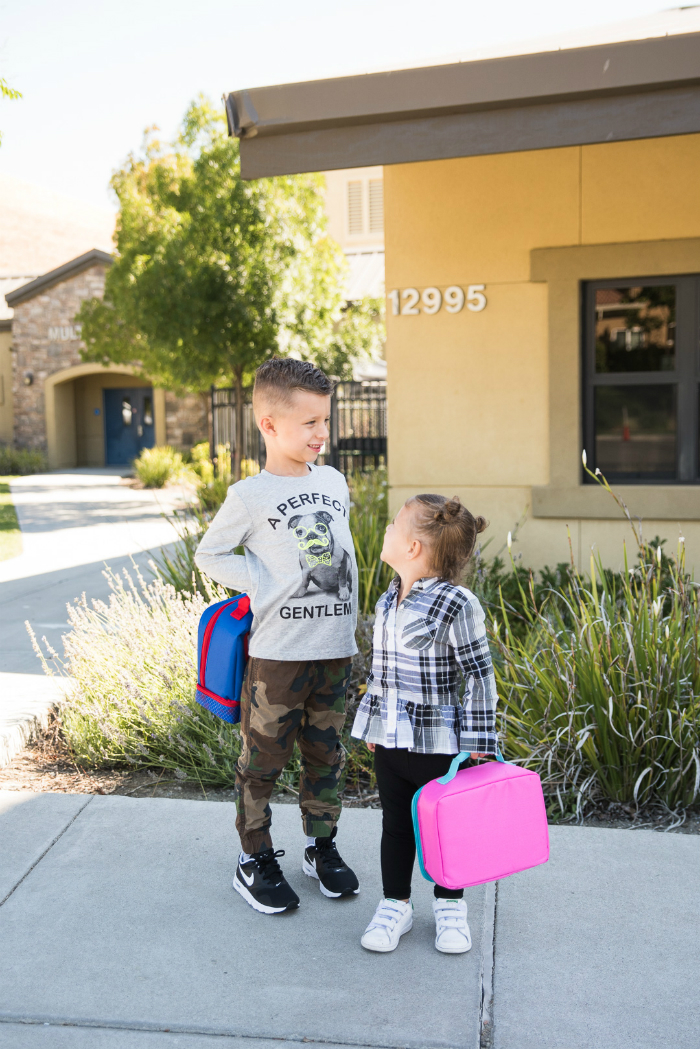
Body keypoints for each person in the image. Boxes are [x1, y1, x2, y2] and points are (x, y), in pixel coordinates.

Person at [195, 358, 360, 915]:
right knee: (261, 763)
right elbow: (209, 554)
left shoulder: (334, 481)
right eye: (309, 422)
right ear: (269, 424)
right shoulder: (250, 495)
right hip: (279, 659)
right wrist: (262, 582)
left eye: (325, 420)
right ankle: (255, 858)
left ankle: (321, 846)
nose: (322, 433)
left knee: (325, 756)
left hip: (334, 651)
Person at [351, 494, 498, 953]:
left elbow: (478, 673)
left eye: (395, 525)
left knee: (444, 827)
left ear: (413, 547)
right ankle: (396, 905)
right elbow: (382, 672)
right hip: (392, 740)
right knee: (396, 824)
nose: (387, 530)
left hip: (441, 744)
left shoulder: (458, 603)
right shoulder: (388, 599)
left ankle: (450, 906)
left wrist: (479, 742)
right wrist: (373, 727)